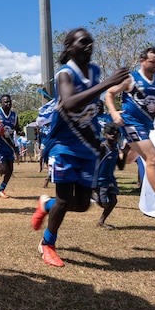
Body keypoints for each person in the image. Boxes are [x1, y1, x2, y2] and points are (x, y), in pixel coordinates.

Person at [31, 28, 130, 267]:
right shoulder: (65, 74)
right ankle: (47, 244)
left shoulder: (94, 71)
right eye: (83, 42)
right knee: (64, 200)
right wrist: (108, 83)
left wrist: (97, 142)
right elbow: (70, 104)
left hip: (86, 145)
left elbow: (89, 111)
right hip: (63, 145)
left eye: (91, 42)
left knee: (83, 204)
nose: (89, 46)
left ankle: (46, 204)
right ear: (69, 47)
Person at [104, 46, 155, 219]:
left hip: (147, 125)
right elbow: (109, 93)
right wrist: (113, 112)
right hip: (131, 123)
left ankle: (105, 159)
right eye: (152, 62)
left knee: (128, 160)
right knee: (153, 158)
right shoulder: (131, 79)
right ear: (142, 61)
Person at [94, 122, 130, 229]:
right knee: (103, 203)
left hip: (110, 180)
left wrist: (126, 153)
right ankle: (91, 194)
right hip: (100, 181)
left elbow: (121, 167)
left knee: (113, 201)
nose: (114, 135)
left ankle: (101, 221)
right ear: (105, 134)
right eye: (110, 133)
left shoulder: (116, 149)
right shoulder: (102, 148)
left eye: (116, 133)